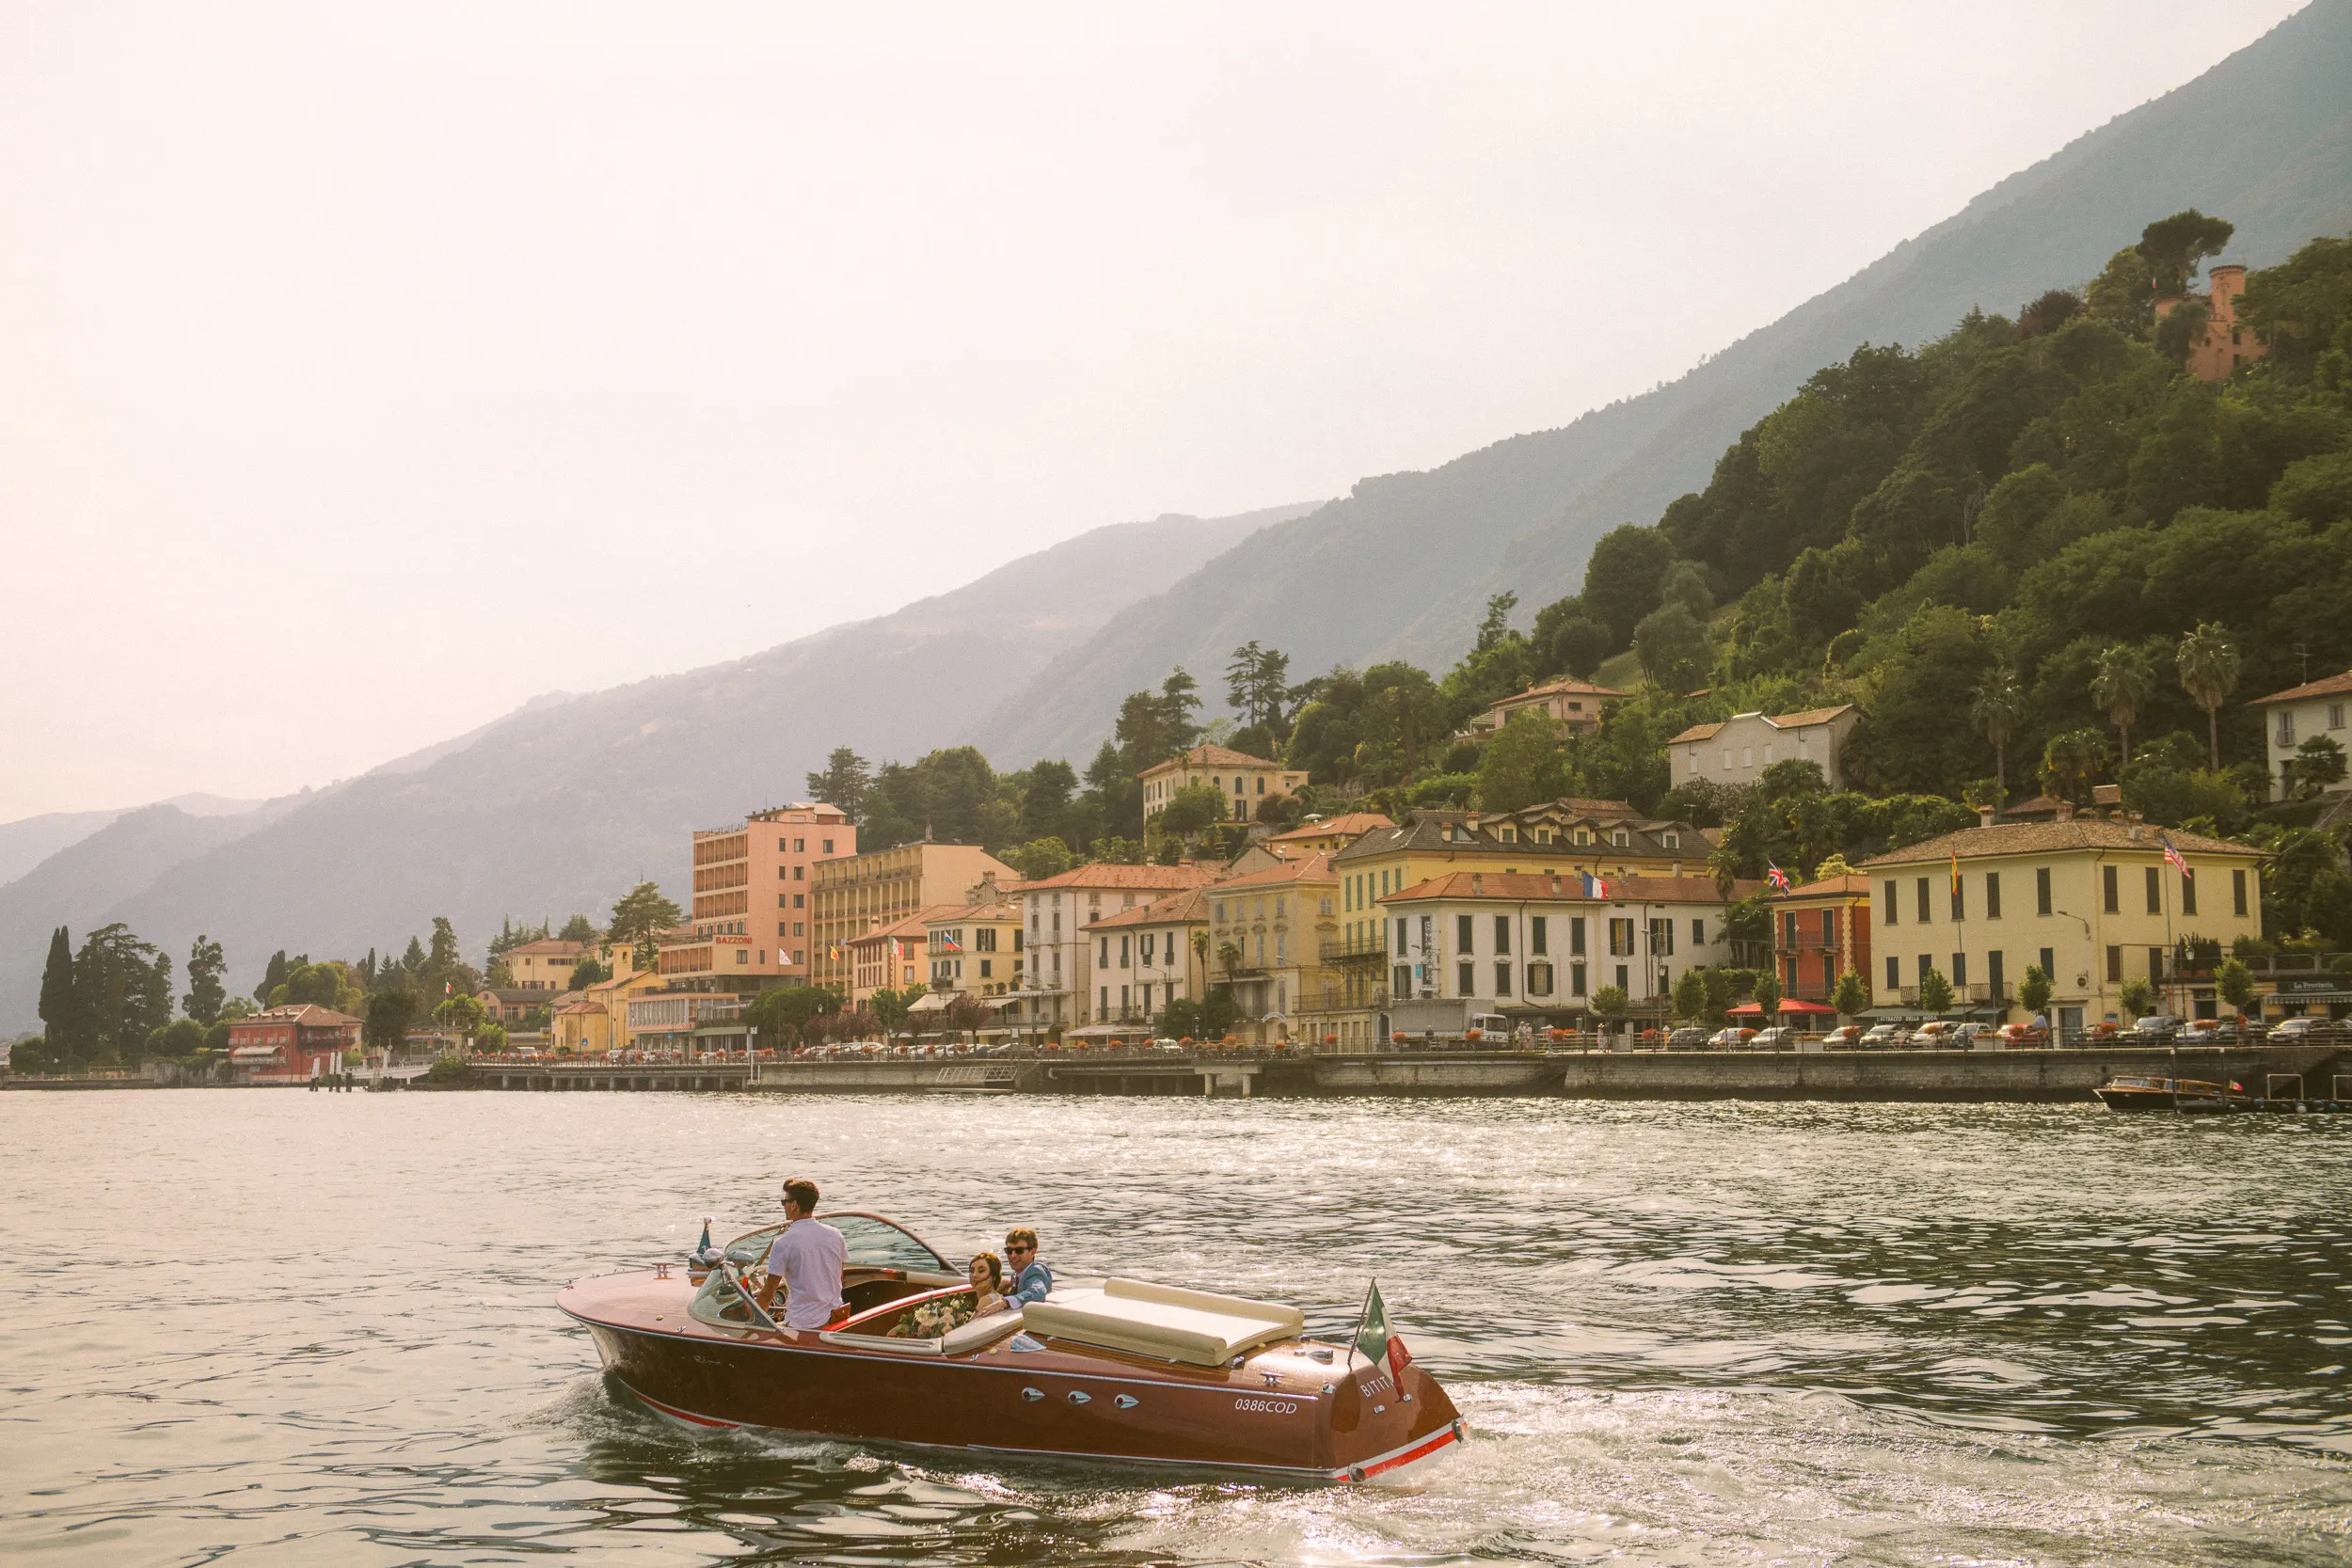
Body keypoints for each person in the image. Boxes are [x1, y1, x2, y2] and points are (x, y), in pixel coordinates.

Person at [755, 1176, 850, 1331]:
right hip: (836, 1317)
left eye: (784, 1202)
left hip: (804, 1325)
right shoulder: (835, 1235)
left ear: (794, 1205)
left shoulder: (783, 1243)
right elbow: (839, 1277)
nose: (783, 1206)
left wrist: (751, 1324)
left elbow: (768, 1294)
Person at [1001, 1227, 1052, 1308]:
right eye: (1009, 1250)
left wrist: (1005, 1302)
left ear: (1032, 1252)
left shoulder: (1036, 1272)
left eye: (1019, 1250)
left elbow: (1038, 1292)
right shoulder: (1019, 1274)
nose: (1013, 1255)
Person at [968, 1251, 1008, 1318]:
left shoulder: (985, 1300)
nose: (974, 1275)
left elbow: (971, 1327)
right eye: (972, 1271)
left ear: (993, 1276)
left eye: (981, 1271)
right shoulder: (998, 1296)